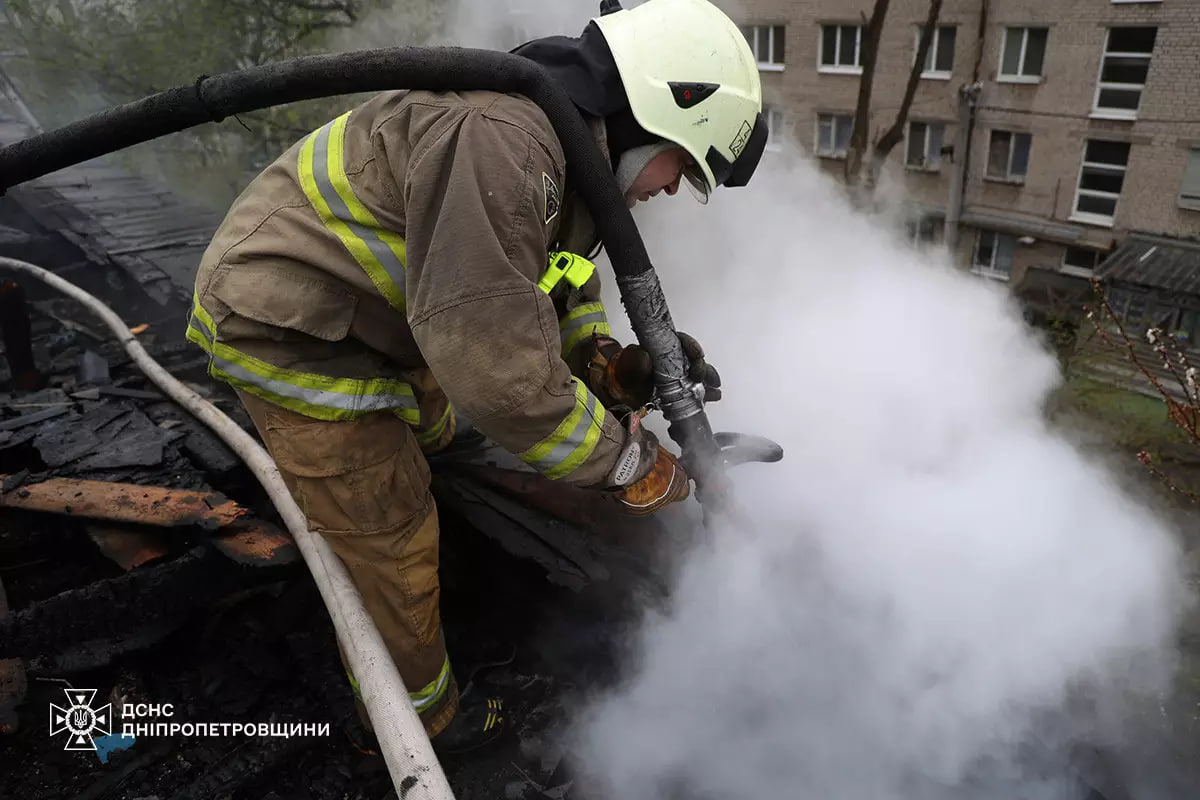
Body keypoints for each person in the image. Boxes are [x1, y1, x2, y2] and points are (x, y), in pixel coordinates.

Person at [185, 0, 764, 754]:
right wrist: (631, 465)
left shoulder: (565, 152)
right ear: (659, 110)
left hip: (392, 323)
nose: (669, 189)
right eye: (683, 166)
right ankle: (421, 727)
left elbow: (556, 289)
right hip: (294, 329)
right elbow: (498, 375)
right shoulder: (501, 141)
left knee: (443, 443)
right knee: (390, 529)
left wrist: (617, 367)